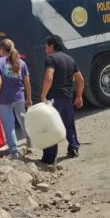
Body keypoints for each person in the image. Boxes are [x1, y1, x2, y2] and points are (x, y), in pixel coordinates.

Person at [41, 35, 85, 164]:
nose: (45, 49)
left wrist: (43, 95)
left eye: (46, 46)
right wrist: (79, 96)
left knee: (51, 126)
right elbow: (80, 80)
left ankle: (49, 158)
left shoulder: (50, 58)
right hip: (67, 97)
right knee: (68, 124)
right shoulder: (70, 59)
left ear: (51, 46)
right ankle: (73, 148)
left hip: (54, 97)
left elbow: (49, 77)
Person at [0, 39, 33, 159]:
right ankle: (31, 143)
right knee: (24, 120)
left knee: (9, 126)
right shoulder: (21, 62)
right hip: (19, 97)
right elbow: (27, 82)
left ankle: (14, 152)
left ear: (2, 49)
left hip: (5, 99)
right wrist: (29, 98)